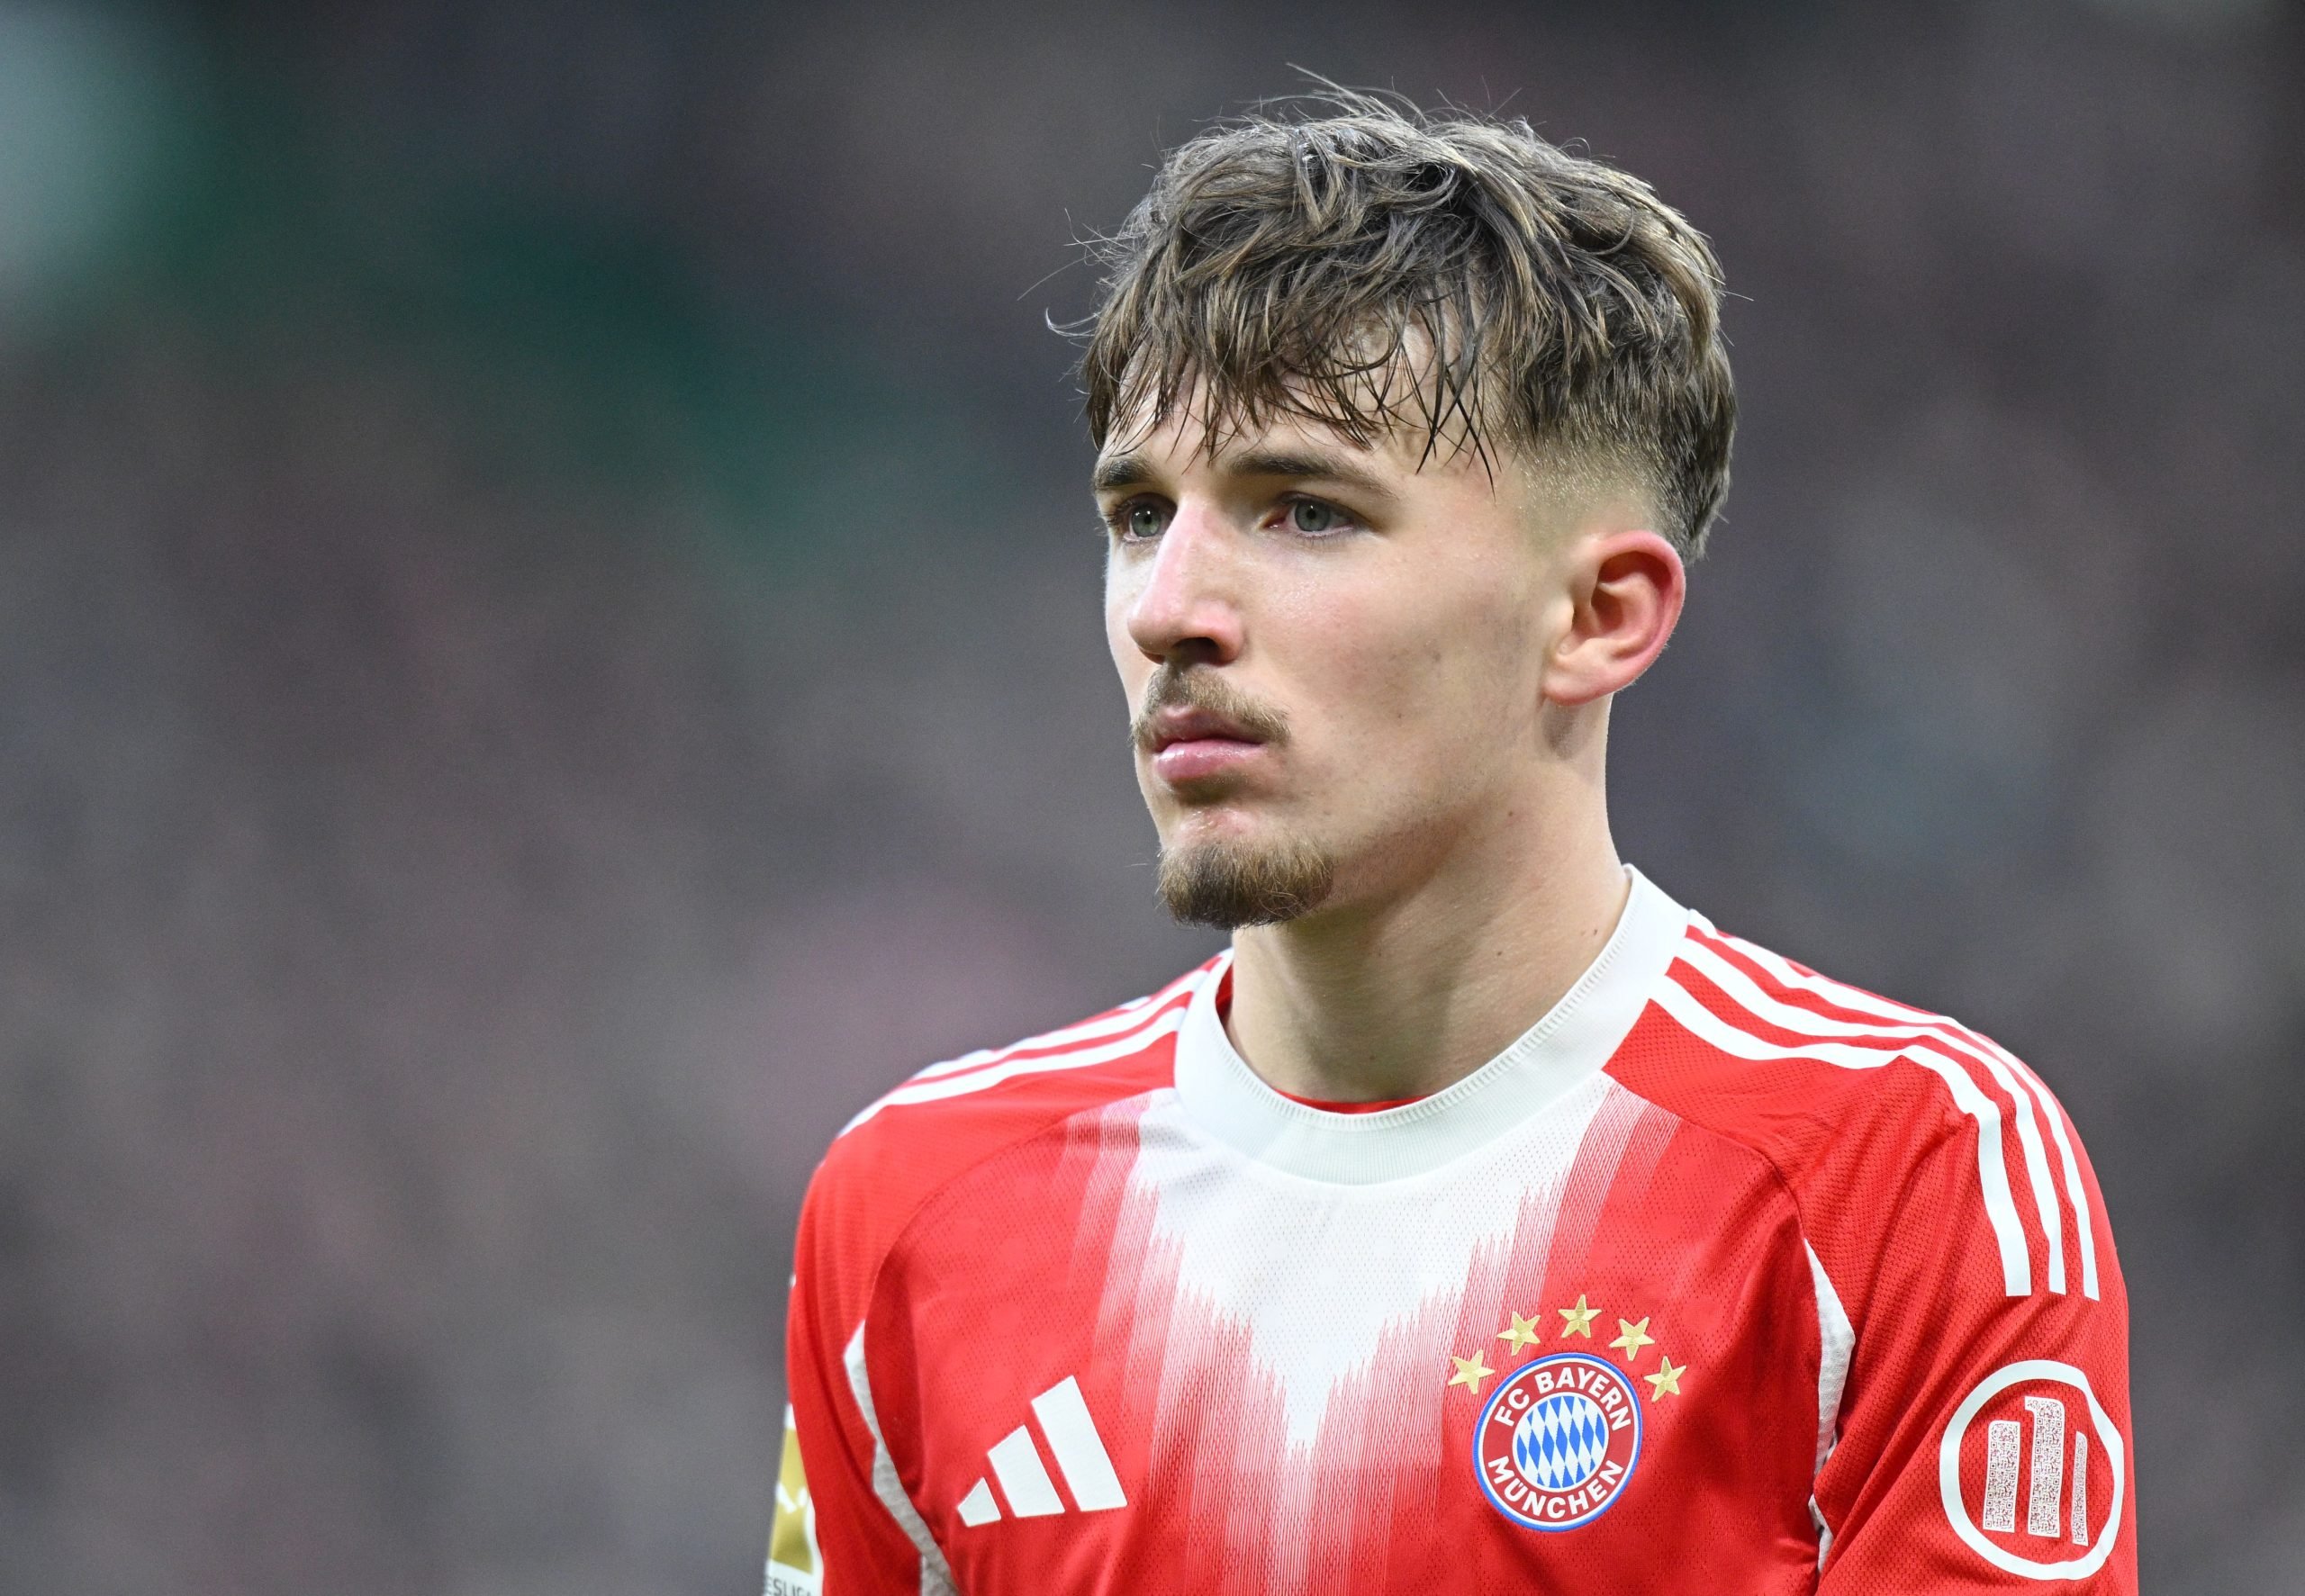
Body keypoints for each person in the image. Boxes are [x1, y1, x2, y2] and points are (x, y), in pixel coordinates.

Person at [764, 92, 2133, 1595]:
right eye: (1141, 513)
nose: (1168, 609)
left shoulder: (1904, 1172)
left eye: (1305, 511)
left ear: (1597, 616)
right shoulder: (911, 1209)